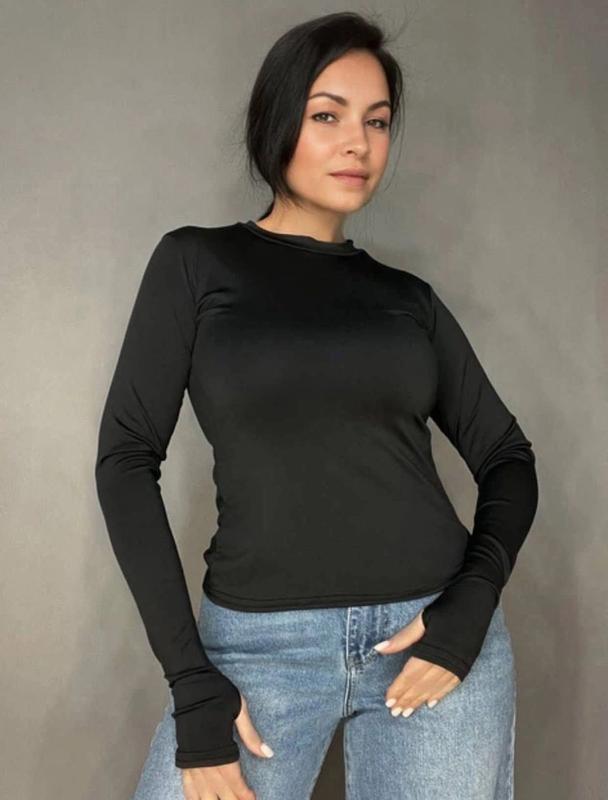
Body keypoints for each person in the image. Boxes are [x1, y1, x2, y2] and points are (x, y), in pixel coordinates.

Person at [94, 11, 539, 800]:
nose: (357, 143)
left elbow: (507, 457)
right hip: (259, 649)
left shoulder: (407, 300)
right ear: (277, 122)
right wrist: (192, 682)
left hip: (429, 635)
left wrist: (470, 606)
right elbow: (126, 461)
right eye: (327, 115)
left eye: (377, 122)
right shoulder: (197, 264)